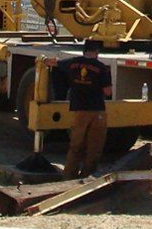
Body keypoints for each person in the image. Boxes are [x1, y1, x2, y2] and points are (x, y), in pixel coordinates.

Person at [45, 40, 112, 180]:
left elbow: (54, 63)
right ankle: (88, 177)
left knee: (76, 146)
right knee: (94, 147)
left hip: (79, 110)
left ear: (84, 51)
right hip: (97, 111)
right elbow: (107, 91)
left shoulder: (72, 63)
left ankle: (69, 177)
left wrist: (43, 60)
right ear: (97, 52)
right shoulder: (102, 68)